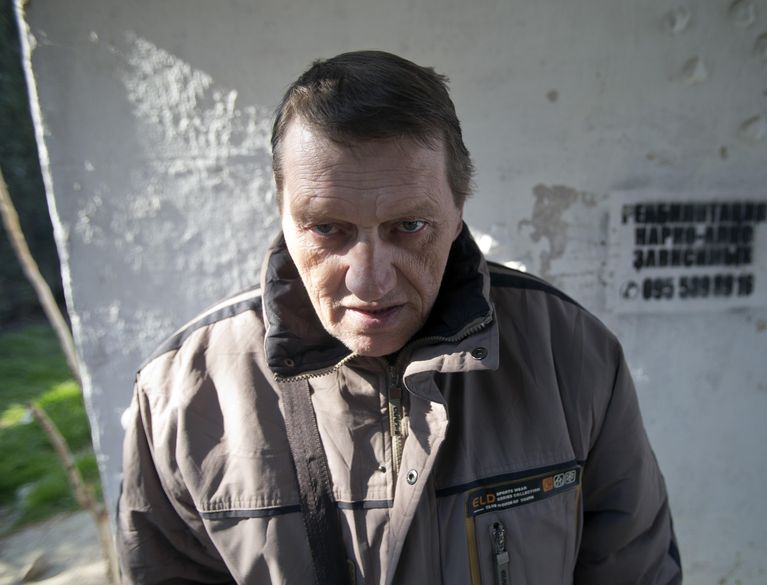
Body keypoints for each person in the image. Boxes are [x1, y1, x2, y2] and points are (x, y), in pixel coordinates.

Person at [117, 50, 682, 585]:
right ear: (281, 211)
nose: (368, 280)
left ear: (459, 210)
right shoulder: (180, 396)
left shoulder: (573, 355)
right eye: (326, 228)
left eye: (408, 226)